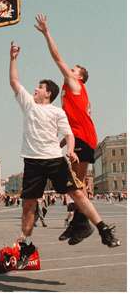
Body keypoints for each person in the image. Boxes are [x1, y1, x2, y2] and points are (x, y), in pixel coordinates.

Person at [9, 41, 120, 267]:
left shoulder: (64, 101)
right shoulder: (32, 104)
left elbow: (69, 134)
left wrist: (70, 151)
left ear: (47, 93)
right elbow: (14, 81)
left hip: (60, 154)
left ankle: (100, 228)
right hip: (34, 160)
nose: (35, 89)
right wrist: (13, 58)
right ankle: (28, 243)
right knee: (29, 205)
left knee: (78, 191)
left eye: (39, 87)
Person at [35, 13, 98, 245]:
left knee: (73, 184)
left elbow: (57, 57)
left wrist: (46, 33)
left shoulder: (74, 84)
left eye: (74, 69)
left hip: (84, 139)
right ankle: (79, 224)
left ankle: (83, 225)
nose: (69, 70)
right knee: (75, 185)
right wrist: (61, 142)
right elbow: (72, 124)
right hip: (82, 138)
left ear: (79, 76)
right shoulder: (69, 93)